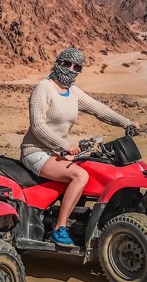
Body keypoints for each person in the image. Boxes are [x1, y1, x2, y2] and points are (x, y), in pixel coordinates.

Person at [20, 47, 138, 247]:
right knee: (80, 176)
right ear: (58, 62)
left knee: (92, 167)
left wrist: (126, 122)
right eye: (67, 64)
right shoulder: (43, 88)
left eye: (77, 67)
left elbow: (99, 109)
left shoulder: (73, 92)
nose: (71, 69)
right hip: (36, 151)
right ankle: (59, 229)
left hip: (56, 153)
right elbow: (38, 127)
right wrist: (64, 145)